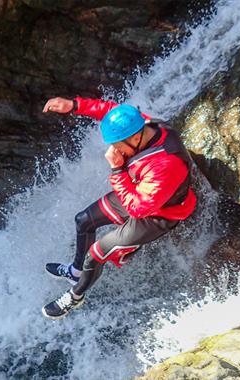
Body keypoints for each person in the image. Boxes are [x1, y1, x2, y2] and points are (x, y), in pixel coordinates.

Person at [41, 96, 197, 319]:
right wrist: (74, 106)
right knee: (84, 220)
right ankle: (76, 272)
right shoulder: (144, 127)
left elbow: (137, 210)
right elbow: (112, 112)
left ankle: (75, 297)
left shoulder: (165, 163)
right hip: (140, 194)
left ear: (135, 138)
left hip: (157, 215)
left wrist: (117, 171)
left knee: (95, 254)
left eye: (117, 145)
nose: (114, 150)